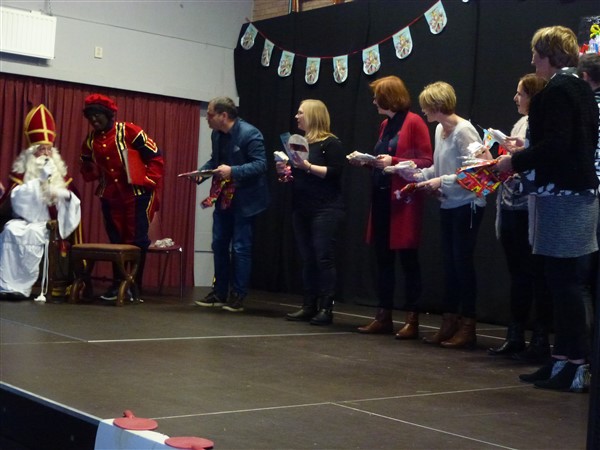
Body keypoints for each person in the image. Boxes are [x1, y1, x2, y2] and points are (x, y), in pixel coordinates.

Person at [496, 26, 599, 391]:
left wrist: (514, 161)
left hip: (562, 196)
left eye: (536, 54)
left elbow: (556, 144)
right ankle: (562, 360)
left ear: (549, 55)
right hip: (576, 193)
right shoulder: (580, 89)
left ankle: (576, 364)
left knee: (564, 283)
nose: (532, 60)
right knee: (563, 281)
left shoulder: (556, 91)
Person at [405, 81, 491, 349]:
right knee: (450, 266)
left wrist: (441, 181)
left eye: (426, 106)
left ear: (438, 105)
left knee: (462, 265)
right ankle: (449, 322)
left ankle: (468, 325)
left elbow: (479, 170)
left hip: (468, 204)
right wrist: (417, 175)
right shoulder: (440, 129)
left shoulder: (464, 131)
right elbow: (440, 168)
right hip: (449, 204)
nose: (423, 110)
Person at [350, 76, 433, 338]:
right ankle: (383, 315)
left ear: (388, 97)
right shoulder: (385, 125)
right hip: (382, 197)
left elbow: (426, 161)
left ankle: (412, 319)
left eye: (377, 96)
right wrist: (369, 162)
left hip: (403, 201)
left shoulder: (414, 122)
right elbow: (383, 161)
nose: (374, 101)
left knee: (408, 260)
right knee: (382, 259)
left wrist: (393, 160)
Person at [487, 74, 553, 362]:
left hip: (529, 206)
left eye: (521, 93)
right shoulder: (519, 123)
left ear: (533, 96)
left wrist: (519, 154)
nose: (516, 98)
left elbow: (539, 158)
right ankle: (515, 335)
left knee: (536, 274)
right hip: (511, 205)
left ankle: (540, 339)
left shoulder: (542, 123)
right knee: (517, 274)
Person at [80, 93, 164, 301]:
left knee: (137, 241)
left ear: (108, 114)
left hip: (137, 196)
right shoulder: (90, 141)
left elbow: (155, 157)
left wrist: (148, 180)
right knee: (116, 241)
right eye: (90, 116)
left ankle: (134, 287)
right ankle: (118, 284)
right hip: (110, 197)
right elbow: (87, 167)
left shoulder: (129, 131)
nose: (93, 120)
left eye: (97, 115)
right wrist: (88, 168)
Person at [193, 97, 269, 312]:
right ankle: (219, 292)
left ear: (223, 116)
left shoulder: (250, 133)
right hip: (224, 197)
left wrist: (233, 171)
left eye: (209, 114)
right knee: (218, 244)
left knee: (240, 247)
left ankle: (238, 295)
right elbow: (216, 161)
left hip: (246, 199)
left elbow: (261, 165)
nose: (207, 118)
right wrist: (202, 172)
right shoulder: (216, 134)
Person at [0, 105, 81, 301]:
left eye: (48, 149)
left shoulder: (62, 175)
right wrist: (38, 183)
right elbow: (14, 198)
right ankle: (9, 285)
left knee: (36, 233)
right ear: (31, 152)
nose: (45, 153)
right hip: (23, 220)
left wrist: (61, 194)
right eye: (40, 149)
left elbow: (72, 201)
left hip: (47, 224)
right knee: (10, 229)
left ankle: (32, 285)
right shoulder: (21, 173)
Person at [276, 100, 346, 326]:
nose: (296, 116)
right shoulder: (301, 143)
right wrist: (285, 171)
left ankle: (326, 308)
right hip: (302, 207)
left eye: (301, 113)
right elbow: (297, 175)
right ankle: (309, 305)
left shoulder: (331, 143)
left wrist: (307, 166)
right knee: (308, 259)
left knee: (323, 257)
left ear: (313, 116)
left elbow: (335, 172)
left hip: (325, 208)